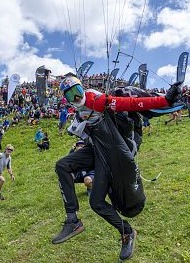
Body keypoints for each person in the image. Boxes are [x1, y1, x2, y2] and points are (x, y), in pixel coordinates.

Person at [52, 76, 182, 261]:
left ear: (83, 89)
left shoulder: (98, 100)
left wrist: (165, 100)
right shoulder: (79, 110)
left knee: (96, 203)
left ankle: (127, 233)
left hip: (113, 153)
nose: (75, 98)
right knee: (62, 165)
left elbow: (133, 103)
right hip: (97, 149)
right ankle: (72, 219)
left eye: (77, 92)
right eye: (69, 96)